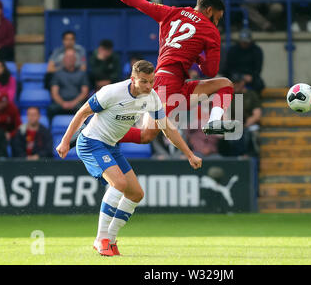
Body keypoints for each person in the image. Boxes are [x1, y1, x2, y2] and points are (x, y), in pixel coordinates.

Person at [55, 60, 202, 256]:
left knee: (136, 194)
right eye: (144, 82)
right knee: (119, 183)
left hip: (111, 146)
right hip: (91, 143)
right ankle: (101, 239)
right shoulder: (111, 92)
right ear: (132, 79)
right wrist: (65, 142)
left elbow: (167, 128)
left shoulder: (152, 97)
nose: (149, 86)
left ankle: (112, 241)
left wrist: (189, 154)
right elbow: (82, 114)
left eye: (151, 81)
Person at [89, 0, 239, 143]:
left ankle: (213, 122)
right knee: (146, 135)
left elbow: (135, 0)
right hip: (168, 86)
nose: (216, 23)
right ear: (209, 10)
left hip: (169, 81)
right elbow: (211, 71)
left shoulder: (171, 12)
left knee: (225, 84)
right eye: (217, 18)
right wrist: (200, 58)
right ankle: (94, 131)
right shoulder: (211, 31)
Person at [218, 73, 261, 156]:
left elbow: (257, 115)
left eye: (238, 82)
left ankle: (250, 157)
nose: (236, 85)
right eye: (234, 83)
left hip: (248, 124)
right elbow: (224, 114)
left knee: (253, 132)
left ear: (243, 82)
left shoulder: (251, 94)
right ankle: (230, 158)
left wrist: (245, 124)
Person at [48, 48, 90, 121]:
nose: (69, 59)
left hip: (77, 103)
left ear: (75, 59)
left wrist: (73, 103)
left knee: (85, 110)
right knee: (50, 109)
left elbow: (84, 92)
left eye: (71, 57)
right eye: (67, 57)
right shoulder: (57, 74)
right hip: (61, 103)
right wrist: (63, 103)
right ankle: (50, 131)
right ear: (63, 59)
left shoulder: (82, 74)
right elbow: (54, 93)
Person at [222, 28, 265, 93]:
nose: (244, 44)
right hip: (234, 76)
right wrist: (240, 78)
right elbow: (228, 68)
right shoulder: (233, 50)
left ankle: (247, 97)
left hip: (251, 78)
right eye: (243, 42)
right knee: (226, 84)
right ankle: (238, 98)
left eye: (246, 42)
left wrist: (247, 79)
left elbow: (257, 69)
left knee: (258, 85)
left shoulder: (256, 50)